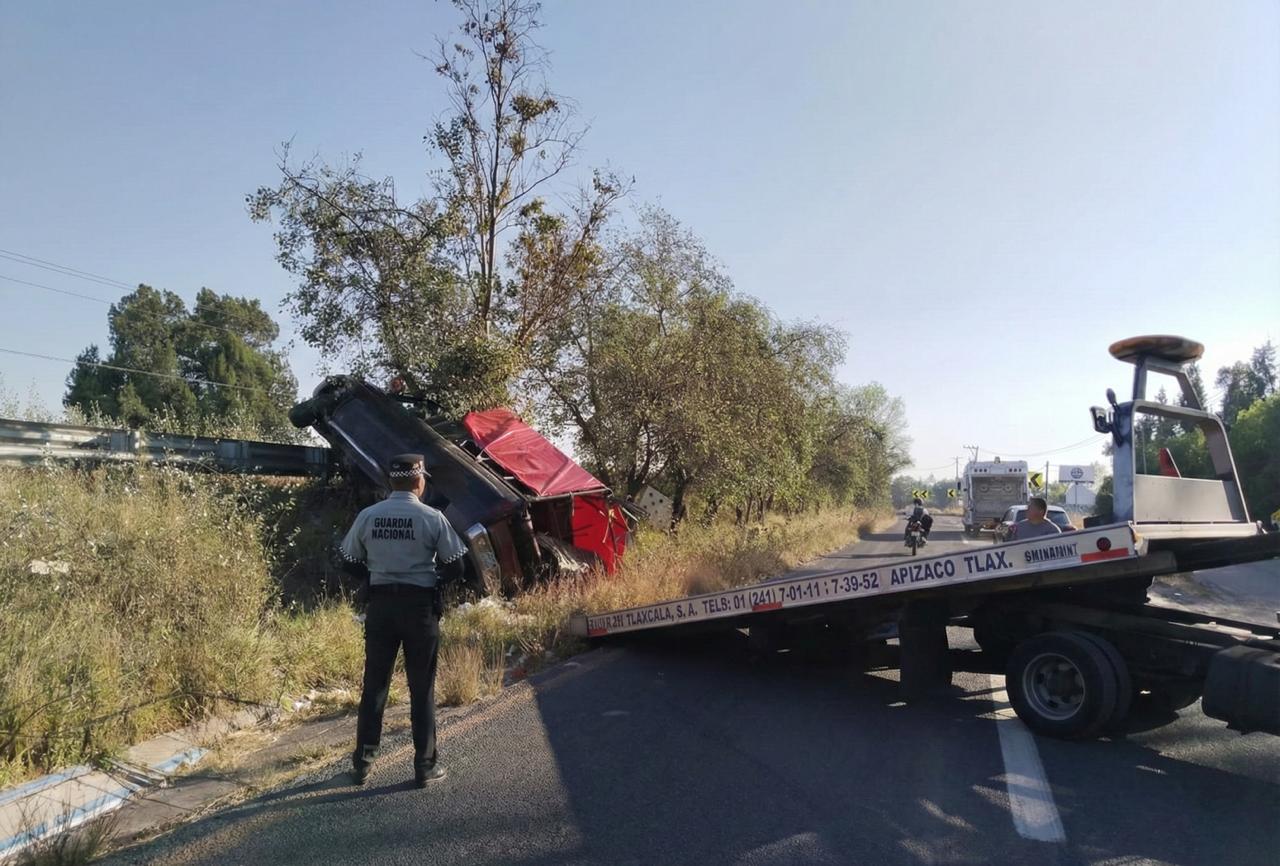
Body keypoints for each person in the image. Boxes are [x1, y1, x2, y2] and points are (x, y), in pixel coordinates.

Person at [341, 453, 468, 788]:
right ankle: (425, 767)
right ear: (419, 481)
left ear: (390, 481)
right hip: (420, 609)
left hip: (381, 607)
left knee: (375, 686)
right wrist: (435, 580)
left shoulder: (369, 516)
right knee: (421, 688)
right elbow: (457, 564)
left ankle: (362, 764)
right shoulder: (432, 518)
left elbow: (348, 559)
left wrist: (371, 577)